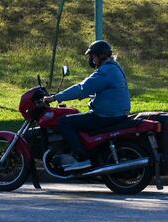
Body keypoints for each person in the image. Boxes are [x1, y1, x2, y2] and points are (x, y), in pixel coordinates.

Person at [43, 40, 131, 171]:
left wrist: (55, 97)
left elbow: (82, 88)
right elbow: (99, 90)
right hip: (116, 113)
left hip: (107, 115)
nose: (92, 60)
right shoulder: (114, 67)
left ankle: (82, 158)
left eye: (93, 56)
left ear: (101, 56)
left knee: (65, 122)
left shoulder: (105, 71)